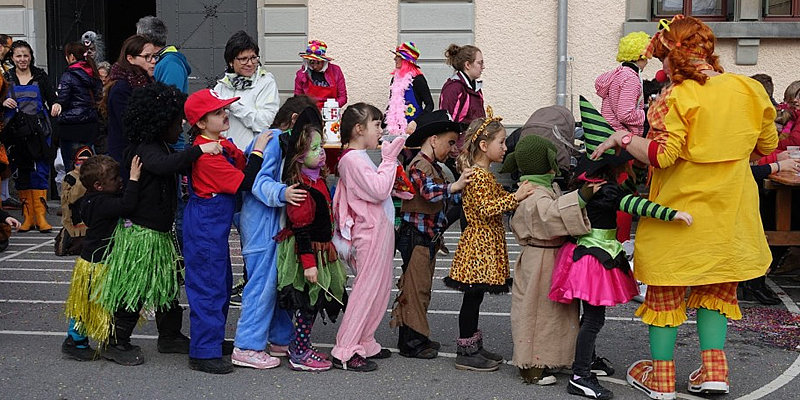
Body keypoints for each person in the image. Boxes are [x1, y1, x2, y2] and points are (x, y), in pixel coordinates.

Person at [589, 16, 778, 398]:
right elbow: (767, 144)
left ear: (672, 58)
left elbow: (661, 156)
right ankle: (714, 374)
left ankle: (660, 378)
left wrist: (622, 137)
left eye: (662, 61)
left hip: (679, 212)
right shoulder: (748, 88)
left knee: (664, 293)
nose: (661, 69)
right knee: (716, 290)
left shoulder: (674, 97)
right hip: (730, 212)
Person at [550, 98, 693, 400]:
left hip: (586, 253)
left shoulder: (589, 184)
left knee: (589, 317)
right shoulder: (607, 190)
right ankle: (580, 375)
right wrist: (672, 214)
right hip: (595, 257)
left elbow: (630, 193)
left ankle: (586, 363)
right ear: (613, 167)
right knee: (593, 319)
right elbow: (633, 203)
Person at [95, 82, 223, 366]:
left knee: (166, 287)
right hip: (142, 235)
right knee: (136, 289)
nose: (180, 125)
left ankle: (170, 336)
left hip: (160, 232)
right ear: (159, 121)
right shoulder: (143, 150)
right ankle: (116, 341)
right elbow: (167, 166)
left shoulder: (160, 145)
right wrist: (199, 151)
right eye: (176, 120)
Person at [181, 88, 271, 374]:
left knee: (219, 284)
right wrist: (258, 150)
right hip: (204, 227)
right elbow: (245, 181)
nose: (225, 114)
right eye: (218, 112)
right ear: (201, 123)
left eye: (224, 110)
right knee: (208, 287)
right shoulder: (207, 157)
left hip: (213, 228)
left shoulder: (218, 145)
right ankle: (203, 352)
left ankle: (211, 341)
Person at [444, 107, 534, 372]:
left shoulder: (484, 173)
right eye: (501, 142)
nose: (505, 147)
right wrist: (516, 197)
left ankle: (473, 346)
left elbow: (495, 201)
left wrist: (513, 195)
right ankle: (466, 352)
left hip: (485, 245)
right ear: (484, 145)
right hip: (477, 248)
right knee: (472, 297)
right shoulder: (479, 176)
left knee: (476, 298)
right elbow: (486, 207)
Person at [501, 135, 591, 386]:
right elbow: (552, 217)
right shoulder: (534, 195)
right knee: (535, 313)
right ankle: (531, 365)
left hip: (547, 257)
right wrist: (581, 198)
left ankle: (548, 357)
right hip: (540, 258)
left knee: (553, 313)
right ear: (548, 165)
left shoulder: (539, 189)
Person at [330, 102, 407, 372]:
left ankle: (365, 339)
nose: (381, 130)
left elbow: (375, 191)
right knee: (365, 291)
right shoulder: (351, 159)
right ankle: (345, 349)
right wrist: (388, 161)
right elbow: (375, 190)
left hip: (379, 230)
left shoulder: (360, 157)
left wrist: (394, 185)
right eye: (376, 124)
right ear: (359, 129)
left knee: (379, 289)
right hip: (369, 233)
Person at [231, 100, 306, 370]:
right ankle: (247, 346)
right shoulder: (273, 140)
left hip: (273, 226)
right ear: (294, 119)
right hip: (261, 226)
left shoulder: (280, 141)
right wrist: (282, 193)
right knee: (261, 287)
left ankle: (280, 339)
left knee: (278, 281)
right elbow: (257, 182)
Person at [390, 110, 471, 359]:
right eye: (449, 142)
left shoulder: (432, 165)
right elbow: (429, 192)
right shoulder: (418, 164)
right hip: (415, 237)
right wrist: (454, 186)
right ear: (433, 140)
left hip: (426, 239)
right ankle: (411, 343)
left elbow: (445, 197)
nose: (451, 148)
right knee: (414, 290)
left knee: (421, 289)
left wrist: (461, 192)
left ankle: (418, 336)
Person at [275, 107, 347, 372]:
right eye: (314, 148)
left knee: (314, 303)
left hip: (321, 249)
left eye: (321, 146)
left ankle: (300, 345)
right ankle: (299, 351)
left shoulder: (318, 180)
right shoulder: (302, 189)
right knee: (307, 303)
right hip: (306, 253)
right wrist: (309, 264)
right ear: (299, 156)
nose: (321, 152)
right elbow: (301, 229)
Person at [62, 154, 141, 360]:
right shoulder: (101, 203)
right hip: (96, 264)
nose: (121, 180)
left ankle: (78, 340)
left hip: (96, 261)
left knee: (90, 303)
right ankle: (74, 341)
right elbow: (126, 206)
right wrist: (134, 179)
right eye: (115, 179)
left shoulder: (92, 199)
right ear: (98, 185)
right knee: (87, 304)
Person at [2, 40, 60, 233]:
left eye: (26, 55)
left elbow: (53, 99)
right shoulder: (6, 76)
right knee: (21, 172)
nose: (22, 59)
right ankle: (28, 217)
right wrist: (3, 101)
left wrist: (56, 105)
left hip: (39, 131)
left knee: (41, 171)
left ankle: (41, 216)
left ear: (31, 56)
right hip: (16, 132)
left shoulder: (40, 76)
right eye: (18, 55)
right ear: (12, 57)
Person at [214, 30, 280, 150]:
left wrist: (233, 105)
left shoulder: (265, 82)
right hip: (224, 155)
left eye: (253, 58)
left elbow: (264, 123)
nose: (250, 63)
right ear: (231, 62)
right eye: (243, 59)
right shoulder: (222, 86)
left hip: (251, 154)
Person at [101, 35, 155, 164]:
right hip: (127, 158)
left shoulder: (148, 83)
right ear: (130, 58)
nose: (153, 61)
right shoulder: (122, 88)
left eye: (154, 56)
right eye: (147, 56)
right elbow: (130, 127)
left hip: (144, 155)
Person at [57, 42, 103, 172]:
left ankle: (73, 192)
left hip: (71, 126)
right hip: (90, 126)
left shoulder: (68, 76)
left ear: (71, 57)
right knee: (88, 166)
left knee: (72, 167)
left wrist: (57, 103)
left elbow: (63, 99)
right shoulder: (93, 74)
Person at [385, 42, 433, 136]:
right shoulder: (395, 79)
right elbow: (391, 104)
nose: (395, 59)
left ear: (406, 60)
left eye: (398, 56)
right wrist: (382, 122)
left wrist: (416, 122)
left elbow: (430, 105)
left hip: (414, 131)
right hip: (396, 131)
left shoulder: (418, 79)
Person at [56, 146, 93, 257]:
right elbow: (70, 198)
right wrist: (82, 180)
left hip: (89, 215)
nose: (83, 164)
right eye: (80, 161)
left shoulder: (94, 176)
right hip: (74, 217)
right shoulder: (70, 177)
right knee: (71, 246)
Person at [294, 40, 347, 109]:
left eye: (318, 63)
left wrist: (332, 106)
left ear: (323, 61)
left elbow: (342, 97)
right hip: (309, 110)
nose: (315, 66)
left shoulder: (336, 71)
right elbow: (298, 97)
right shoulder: (301, 74)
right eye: (312, 62)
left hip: (331, 110)